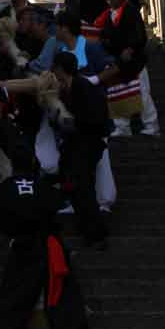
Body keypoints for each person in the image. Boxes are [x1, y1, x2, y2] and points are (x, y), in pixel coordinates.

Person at [0, 143, 88, 329]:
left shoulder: (5, 187)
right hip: (46, 243)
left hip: (21, 243)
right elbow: (55, 206)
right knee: (62, 291)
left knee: (15, 290)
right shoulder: (43, 186)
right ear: (33, 162)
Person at [50, 52, 110, 248]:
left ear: (61, 69)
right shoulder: (66, 89)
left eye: (56, 68)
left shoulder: (82, 86)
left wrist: (75, 123)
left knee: (84, 189)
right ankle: (88, 229)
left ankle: (96, 233)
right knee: (76, 189)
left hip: (87, 145)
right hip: (75, 147)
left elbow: (95, 117)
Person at [95, 0, 160, 137]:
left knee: (142, 93)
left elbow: (140, 36)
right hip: (118, 62)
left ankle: (151, 125)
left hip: (134, 62)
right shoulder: (109, 15)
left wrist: (130, 48)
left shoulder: (131, 12)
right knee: (118, 93)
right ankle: (122, 127)